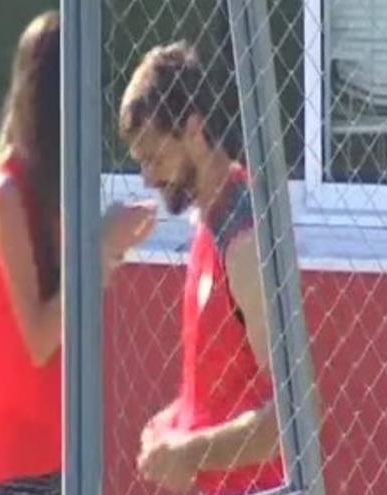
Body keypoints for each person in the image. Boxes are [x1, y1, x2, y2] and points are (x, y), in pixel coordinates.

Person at [0, 11, 156, 494]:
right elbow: (41, 334)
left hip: (64, 441)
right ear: (54, 99)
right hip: (19, 461)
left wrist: (108, 251)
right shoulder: (7, 192)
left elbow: (72, 299)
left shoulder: (55, 187)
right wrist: (100, 247)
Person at [118, 41, 285, 494]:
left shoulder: (245, 243)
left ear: (194, 130)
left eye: (154, 156)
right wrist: (176, 422)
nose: (149, 178)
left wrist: (187, 453)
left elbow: (292, 417)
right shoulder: (209, 222)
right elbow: (227, 390)